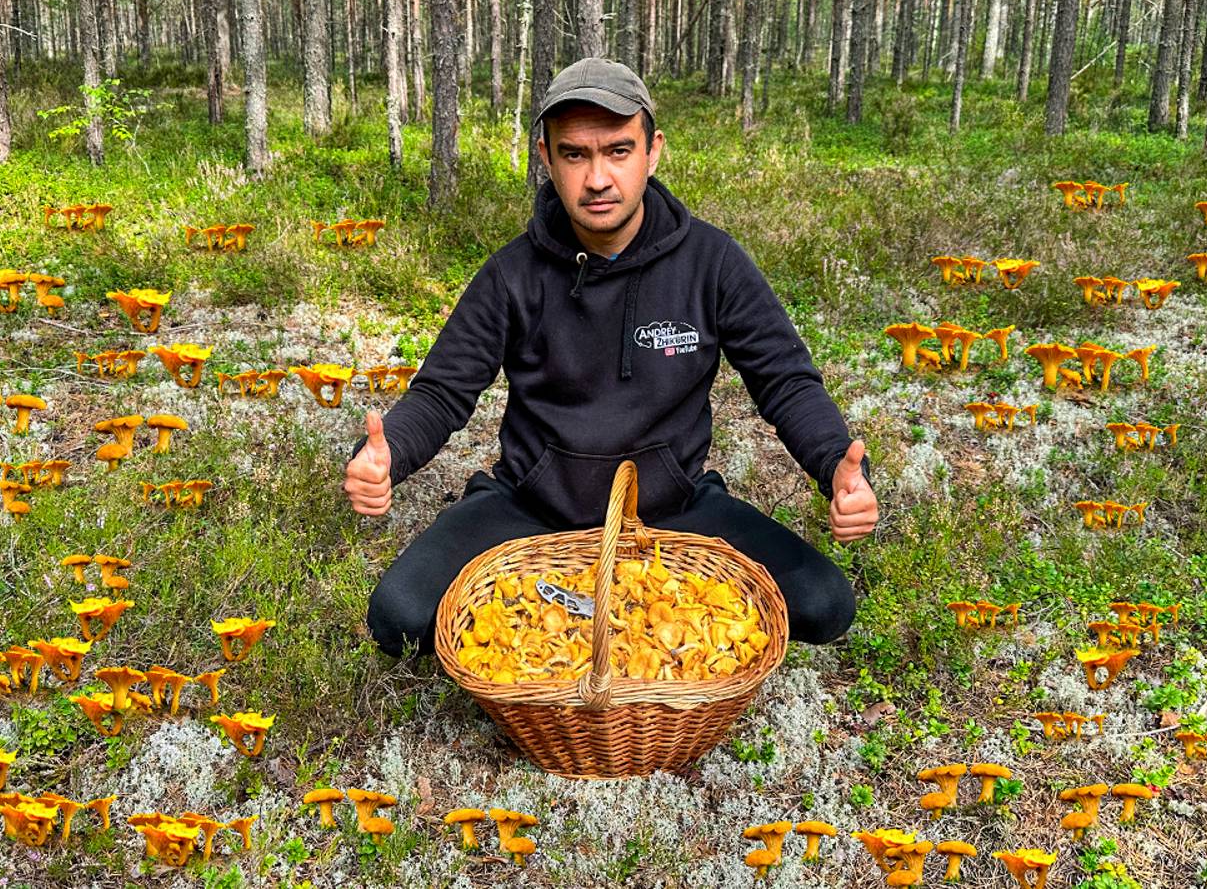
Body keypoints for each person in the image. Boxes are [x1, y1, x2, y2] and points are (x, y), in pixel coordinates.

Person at [345, 57, 879, 659]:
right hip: (533, 511)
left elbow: (784, 381)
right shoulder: (511, 274)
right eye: (574, 154)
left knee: (826, 603)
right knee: (398, 617)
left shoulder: (713, 263)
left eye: (618, 151)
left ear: (653, 152)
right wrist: (388, 455)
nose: (597, 178)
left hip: (670, 512)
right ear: (546, 159)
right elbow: (443, 391)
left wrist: (835, 463)